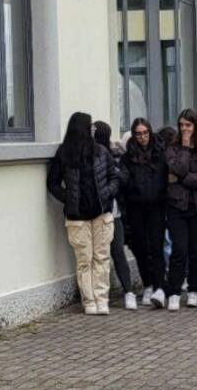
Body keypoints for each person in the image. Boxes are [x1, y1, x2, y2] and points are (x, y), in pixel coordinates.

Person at [47, 112, 119, 315]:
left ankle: (101, 299)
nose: (93, 129)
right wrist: (69, 198)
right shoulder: (64, 154)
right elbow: (52, 183)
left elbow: (114, 177)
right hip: (77, 216)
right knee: (84, 259)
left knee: (101, 257)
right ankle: (89, 301)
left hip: (101, 213)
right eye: (90, 126)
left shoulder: (101, 152)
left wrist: (106, 193)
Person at [164, 109, 197, 311]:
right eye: (182, 125)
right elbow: (175, 169)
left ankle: (194, 288)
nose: (184, 129)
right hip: (177, 205)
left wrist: (183, 179)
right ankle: (174, 291)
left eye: (188, 125)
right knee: (179, 249)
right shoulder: (173, 148)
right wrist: (185, 149)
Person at [122, 118, 168, 307]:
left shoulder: (160, 153)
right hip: (136, 207)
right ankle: (147, 283)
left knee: (156, 246)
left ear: (150, 133)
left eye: (145, 133)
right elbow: (125, 181)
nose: (142, 137)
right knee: (141, 247)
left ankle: (159, 285)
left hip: (157, 206)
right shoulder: (128, 157)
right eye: (138, 134)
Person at [93, 120, 135, 309]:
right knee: (104, 254)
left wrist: (112, 184)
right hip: (98, 211)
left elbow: (123, 178)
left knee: (116, 252)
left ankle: (128, 290)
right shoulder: (89, 155)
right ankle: (107, 293)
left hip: (113, 211)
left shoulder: (114, 156)